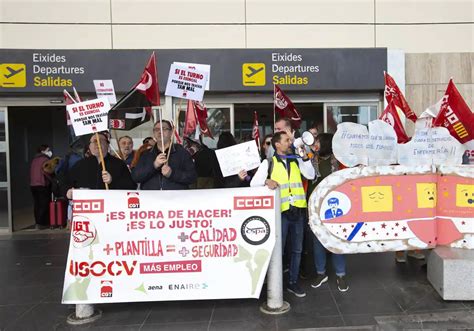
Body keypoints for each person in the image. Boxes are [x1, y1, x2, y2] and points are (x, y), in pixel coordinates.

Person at [251, 131, 315, 297]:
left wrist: (303, 155)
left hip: (298, 211)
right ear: (277, 144)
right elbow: (253, 183)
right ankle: (276, 283)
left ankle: (293, 283)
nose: (290, 142)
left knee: (297, 249)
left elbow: (311, 174)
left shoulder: (296, 160)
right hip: (281, 213)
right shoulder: (269, 162)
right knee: (278, 249)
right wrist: (266, 181)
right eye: (287, 140)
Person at [309, 133, 349, 292]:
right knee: (318, 241)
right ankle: (321, 273)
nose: (315, 144)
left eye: (317, 141)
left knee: (337, 241)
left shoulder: (338, 161)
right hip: (315, 207)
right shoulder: (311, 160)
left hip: (335, 207)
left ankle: (341, 274)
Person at [64, 132, 136, 199]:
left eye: (101, 140)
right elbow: (65, 182)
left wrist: (112, 181)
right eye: (94, 141)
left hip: (111, 205)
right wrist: (67, 191)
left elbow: (131, 187)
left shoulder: (119, 164)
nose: (97, 143)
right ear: (89, 146)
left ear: (107, 144)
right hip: (86, 206)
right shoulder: (80, 164)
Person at [131, 120, 196, 190]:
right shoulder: (146, 154)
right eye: (157, 129)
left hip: (176, 198)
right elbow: (136, 177)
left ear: (171, 132)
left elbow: (192, 177)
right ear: (153, 133)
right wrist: (154, 165)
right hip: (151, 198)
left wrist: (172, 174)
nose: (160, 132)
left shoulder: (182, 153)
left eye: (164, 129)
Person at [30, 144, 53, 229]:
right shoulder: (45, 159)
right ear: (43, 151)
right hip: (42, 185)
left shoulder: (34, 160)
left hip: (33, 185)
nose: (49, 152)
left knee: (37, 204)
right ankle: (43, 223)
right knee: (44, 204)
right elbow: (47, 172)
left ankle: (37, 222)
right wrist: (52, 180)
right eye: (48, 150)